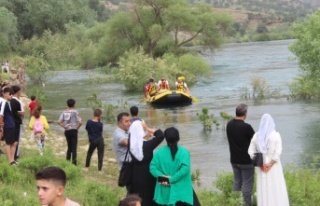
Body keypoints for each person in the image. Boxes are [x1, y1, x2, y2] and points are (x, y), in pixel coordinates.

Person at [248, 114, 289, 206]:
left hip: (261, 166)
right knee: (275, 185)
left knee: (263, 187)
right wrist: (270, 164)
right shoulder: (276, 135)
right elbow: (278, 153)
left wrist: (260, 164)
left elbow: (250, 151)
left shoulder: (256, 136)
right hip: (274, 166)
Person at [150, 127, 193, 206]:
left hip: (164, 189)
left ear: (166, 139)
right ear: (178, 138)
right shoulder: (184, 152)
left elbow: (152, 167)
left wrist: (163, 178)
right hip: (181, 190)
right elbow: (185, 169)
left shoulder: (159, 152)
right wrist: (172, 179)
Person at [128, 120, 164, 206]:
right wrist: (147, 128)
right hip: (148, 175)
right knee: (149, 197)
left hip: (135, 176)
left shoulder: (131, 145)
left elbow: (138, 141)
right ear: (141, 130)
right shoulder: (148, 146)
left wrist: (145, 136)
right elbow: (161, 135)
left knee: (137, 199)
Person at [226, 103, 255, 206]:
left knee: (237, 182)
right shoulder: (247, 127)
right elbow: (255, 140)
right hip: (246, 160)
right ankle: (247, 204)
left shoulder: (229, 125)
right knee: (247, 184)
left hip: (234, 159)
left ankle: (236, 202)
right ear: (245, 114)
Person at [58, 99, 82, 165]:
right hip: (74, 130)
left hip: (67, 131)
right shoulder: (76, 112)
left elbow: (59, 122)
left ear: (67, 104)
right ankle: (74, 163)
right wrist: (77, 128)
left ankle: (67, 161)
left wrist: (64, 127)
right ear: (74, 104)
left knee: (69, 146)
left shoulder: (64, 112)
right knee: (74, 147)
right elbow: (80, 122)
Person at [83, 108, 105, 173]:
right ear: (100, 115)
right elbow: (100, 131)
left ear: (94, 114)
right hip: (100, 140)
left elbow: (87, 128)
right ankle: (99, 170)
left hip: (93, 140)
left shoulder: (89, 122)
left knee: (89, 153)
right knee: (100, 155)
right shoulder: (100, 124)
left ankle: (87, 167)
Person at [0, 87, 17, 165]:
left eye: (12, 94)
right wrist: (1, 126)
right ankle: (10, 161)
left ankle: (12, 159)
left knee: (14, 142)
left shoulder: (7, 102)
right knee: (8, 143)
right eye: (10, 94)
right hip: (8, 125)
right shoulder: (3, 102)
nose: (11, 96)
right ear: (5, 94)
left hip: (12, 124)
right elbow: (1, 115)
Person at [10, 85, 24, 162]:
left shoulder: (8, 101)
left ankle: (11, 156)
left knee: (11, 140)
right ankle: (16, 156)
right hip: (17, 123)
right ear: (18, 92)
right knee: (17, 140)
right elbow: (22, 113)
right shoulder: (18, 102)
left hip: (10, 123)